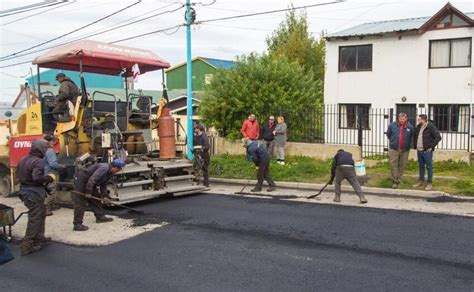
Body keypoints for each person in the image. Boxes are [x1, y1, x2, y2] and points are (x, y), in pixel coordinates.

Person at [17, 139, 55, 256]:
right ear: (40, 149)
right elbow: (36, 178)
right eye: (45, 149)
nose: (46, 151)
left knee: (41, 213)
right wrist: (49, 178)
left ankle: (40, 237)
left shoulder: (23, 159)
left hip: (25, 191)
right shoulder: (38, 161)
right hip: (33, 193)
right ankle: (26, 246)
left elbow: (21, 175)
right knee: (35, 218)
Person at [72, 159, 125, 231]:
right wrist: (88, 193)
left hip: (89, 182)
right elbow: (92, 180)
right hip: (81, 180)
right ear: (115, 167)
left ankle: (100, 217)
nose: (117, 172)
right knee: (80, 203)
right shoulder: (103, 168)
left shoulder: (110, 173)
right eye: (118, 170)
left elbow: (103, 185)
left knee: (95, 199)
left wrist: (105, 196)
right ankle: (77, 224)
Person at [413, 114, 442, 191]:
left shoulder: (431, 127)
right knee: (421, 166)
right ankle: (421, 181)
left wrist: (431, 146)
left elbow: (438, 137)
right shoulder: (419, 126)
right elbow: (416, 136)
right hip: (419, 150)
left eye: (419, 119)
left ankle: (429, 183)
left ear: (423, 120)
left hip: (427, 151)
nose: (417, 121)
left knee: (429, 167)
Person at [386, 112, 414, 189]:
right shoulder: (392, 125)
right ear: (398, 118)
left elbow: (412, 136)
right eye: (400, 118)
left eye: (403, 119)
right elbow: (388, 134)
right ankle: (395, 181)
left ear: (406, 119)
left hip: (405, 149)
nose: (402, 120)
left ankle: (399, 178)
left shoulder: (410, 127)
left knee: (402, 165)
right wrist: (393, 141)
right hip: (394, 148)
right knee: (393, 165)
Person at [43, 134, 66, 216]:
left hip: (44, 173)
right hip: (51, 174)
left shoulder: (42, 150)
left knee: (46, 190)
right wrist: (62, 166)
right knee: (52, 191)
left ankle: (49, 206)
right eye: (52, 141)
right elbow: (53, 164)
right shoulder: (50, 151)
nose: (53, 142)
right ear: (48, 142)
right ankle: (47, 209)